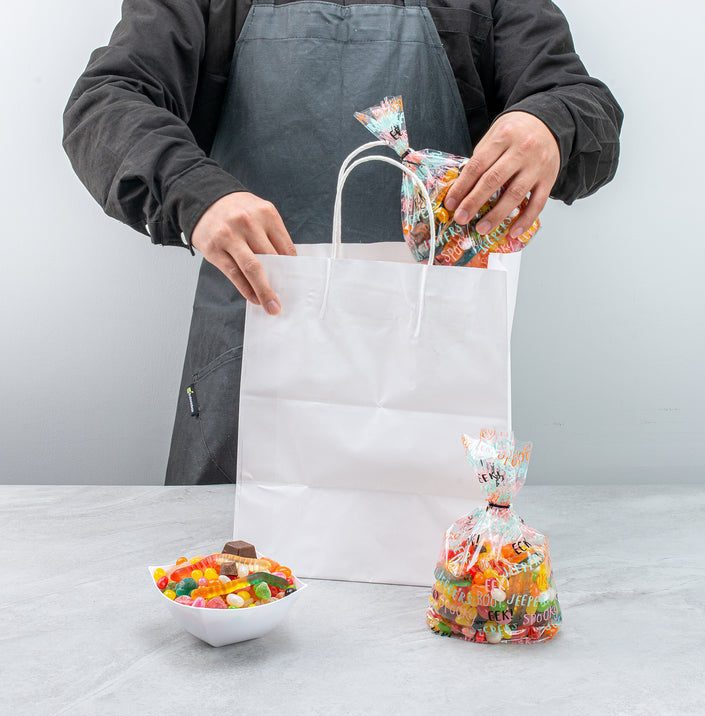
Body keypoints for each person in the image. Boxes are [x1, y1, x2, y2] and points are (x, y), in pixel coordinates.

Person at [63, 0, 623, 485]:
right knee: (223, 563)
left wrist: (550, 125)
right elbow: (106, 101)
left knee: (438, 559)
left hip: (433, 358)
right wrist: (194, 190)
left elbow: (578, 99)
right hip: (252, 339)